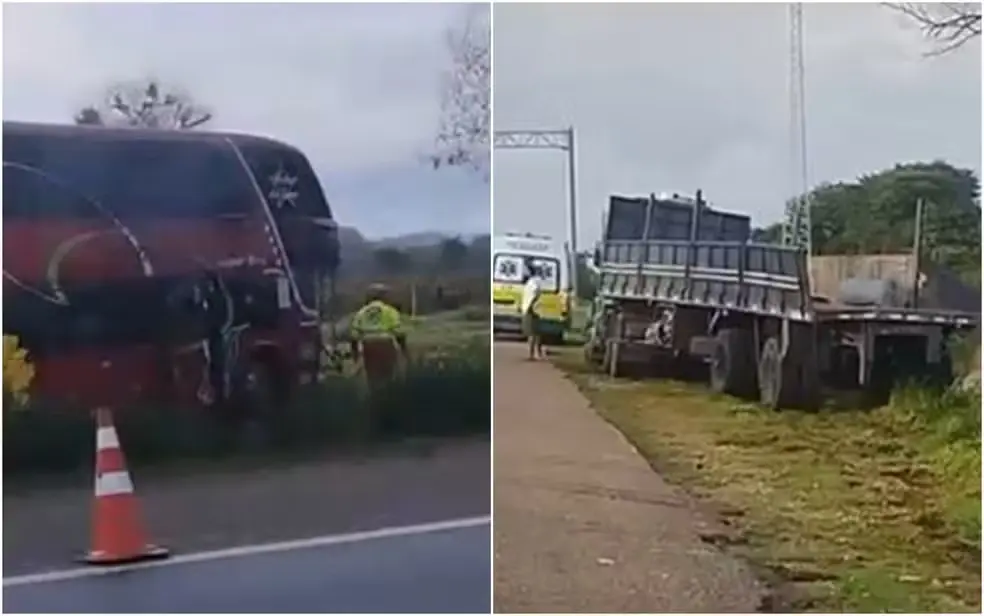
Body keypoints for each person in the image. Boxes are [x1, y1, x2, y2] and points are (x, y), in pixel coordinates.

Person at [350, 283, 408, 389]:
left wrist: (356, 357)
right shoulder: (390, 311)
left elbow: (354, 336)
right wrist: (404, 351)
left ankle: (374, 397)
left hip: (368, 346)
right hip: (385, 344)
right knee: (388, 374)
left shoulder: (361, 312)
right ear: (383, 296)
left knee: (372, 376)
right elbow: (399, 332)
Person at [520, 259, 545, 360]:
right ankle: (537, 353)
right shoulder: (533, 281)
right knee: (536, 333)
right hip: (532, 309)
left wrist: (530, 305)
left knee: (532, 333)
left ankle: (532, 354)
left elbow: (535, 293)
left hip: (530, 310)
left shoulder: (533, 282)